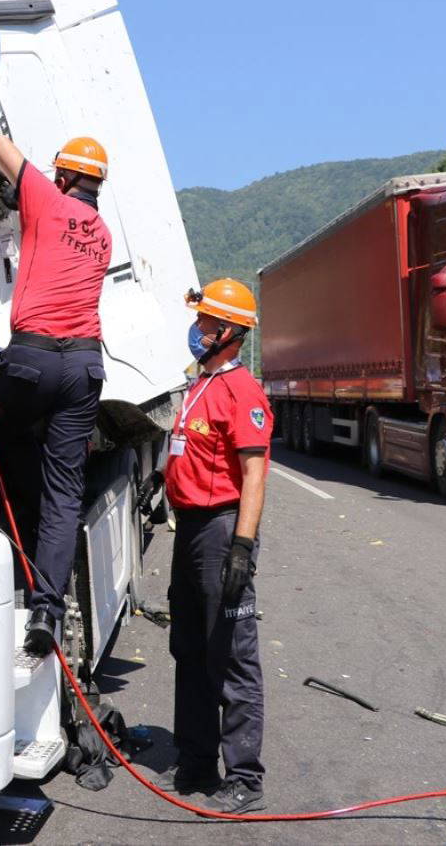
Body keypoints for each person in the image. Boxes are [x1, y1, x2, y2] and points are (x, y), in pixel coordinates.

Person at [0, 135, 112, 655]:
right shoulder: (103, 235)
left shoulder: (45, 197)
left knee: (1, 431)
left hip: (32, 360)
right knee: (65, 493)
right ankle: (46, 611)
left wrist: (21, 188)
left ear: (63, 176)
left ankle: (18, 531)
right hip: (83, 365)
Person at [158, 278, 271, 814]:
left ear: (228, 332)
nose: (197, 328)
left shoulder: (241, 391)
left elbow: (254, 475)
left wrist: (242, 548)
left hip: (222, 530)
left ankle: (244, 778)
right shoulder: (201, 383)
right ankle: (197, 760)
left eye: (205, 322)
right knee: (189, 649)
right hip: (190, 530)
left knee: (230, 656)